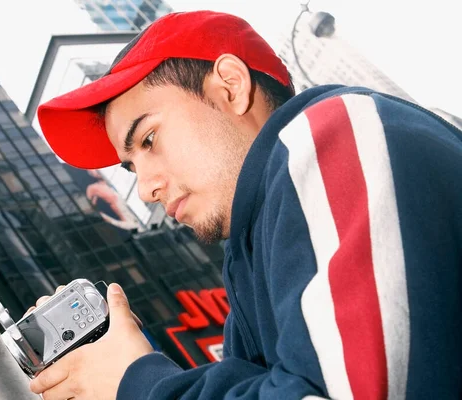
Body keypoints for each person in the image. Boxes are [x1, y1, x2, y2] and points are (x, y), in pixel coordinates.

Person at [28, 10, 462, 400]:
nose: (145, 189)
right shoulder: (246, 259)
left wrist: (141, 383)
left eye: (149, 139)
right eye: (131, 166)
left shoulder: (331, 135)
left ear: (230, 87)